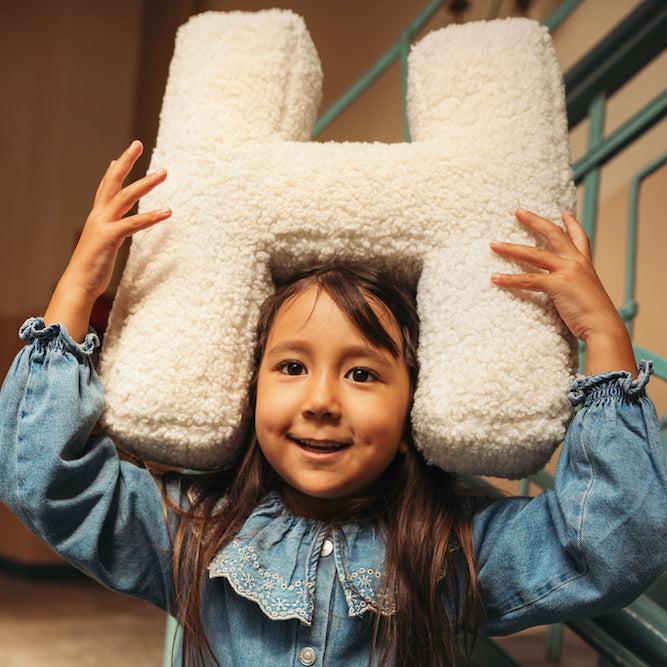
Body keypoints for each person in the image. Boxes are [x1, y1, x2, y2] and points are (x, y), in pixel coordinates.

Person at [1, 139, 665, 667]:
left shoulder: (452, 552)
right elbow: (45, 480)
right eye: (291, 365)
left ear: (414, 412)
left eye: (362, 373)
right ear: (249, 386)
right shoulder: (192, 534)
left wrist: (602, 339)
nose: (320, 400)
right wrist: (76, 294)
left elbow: (610, 546)